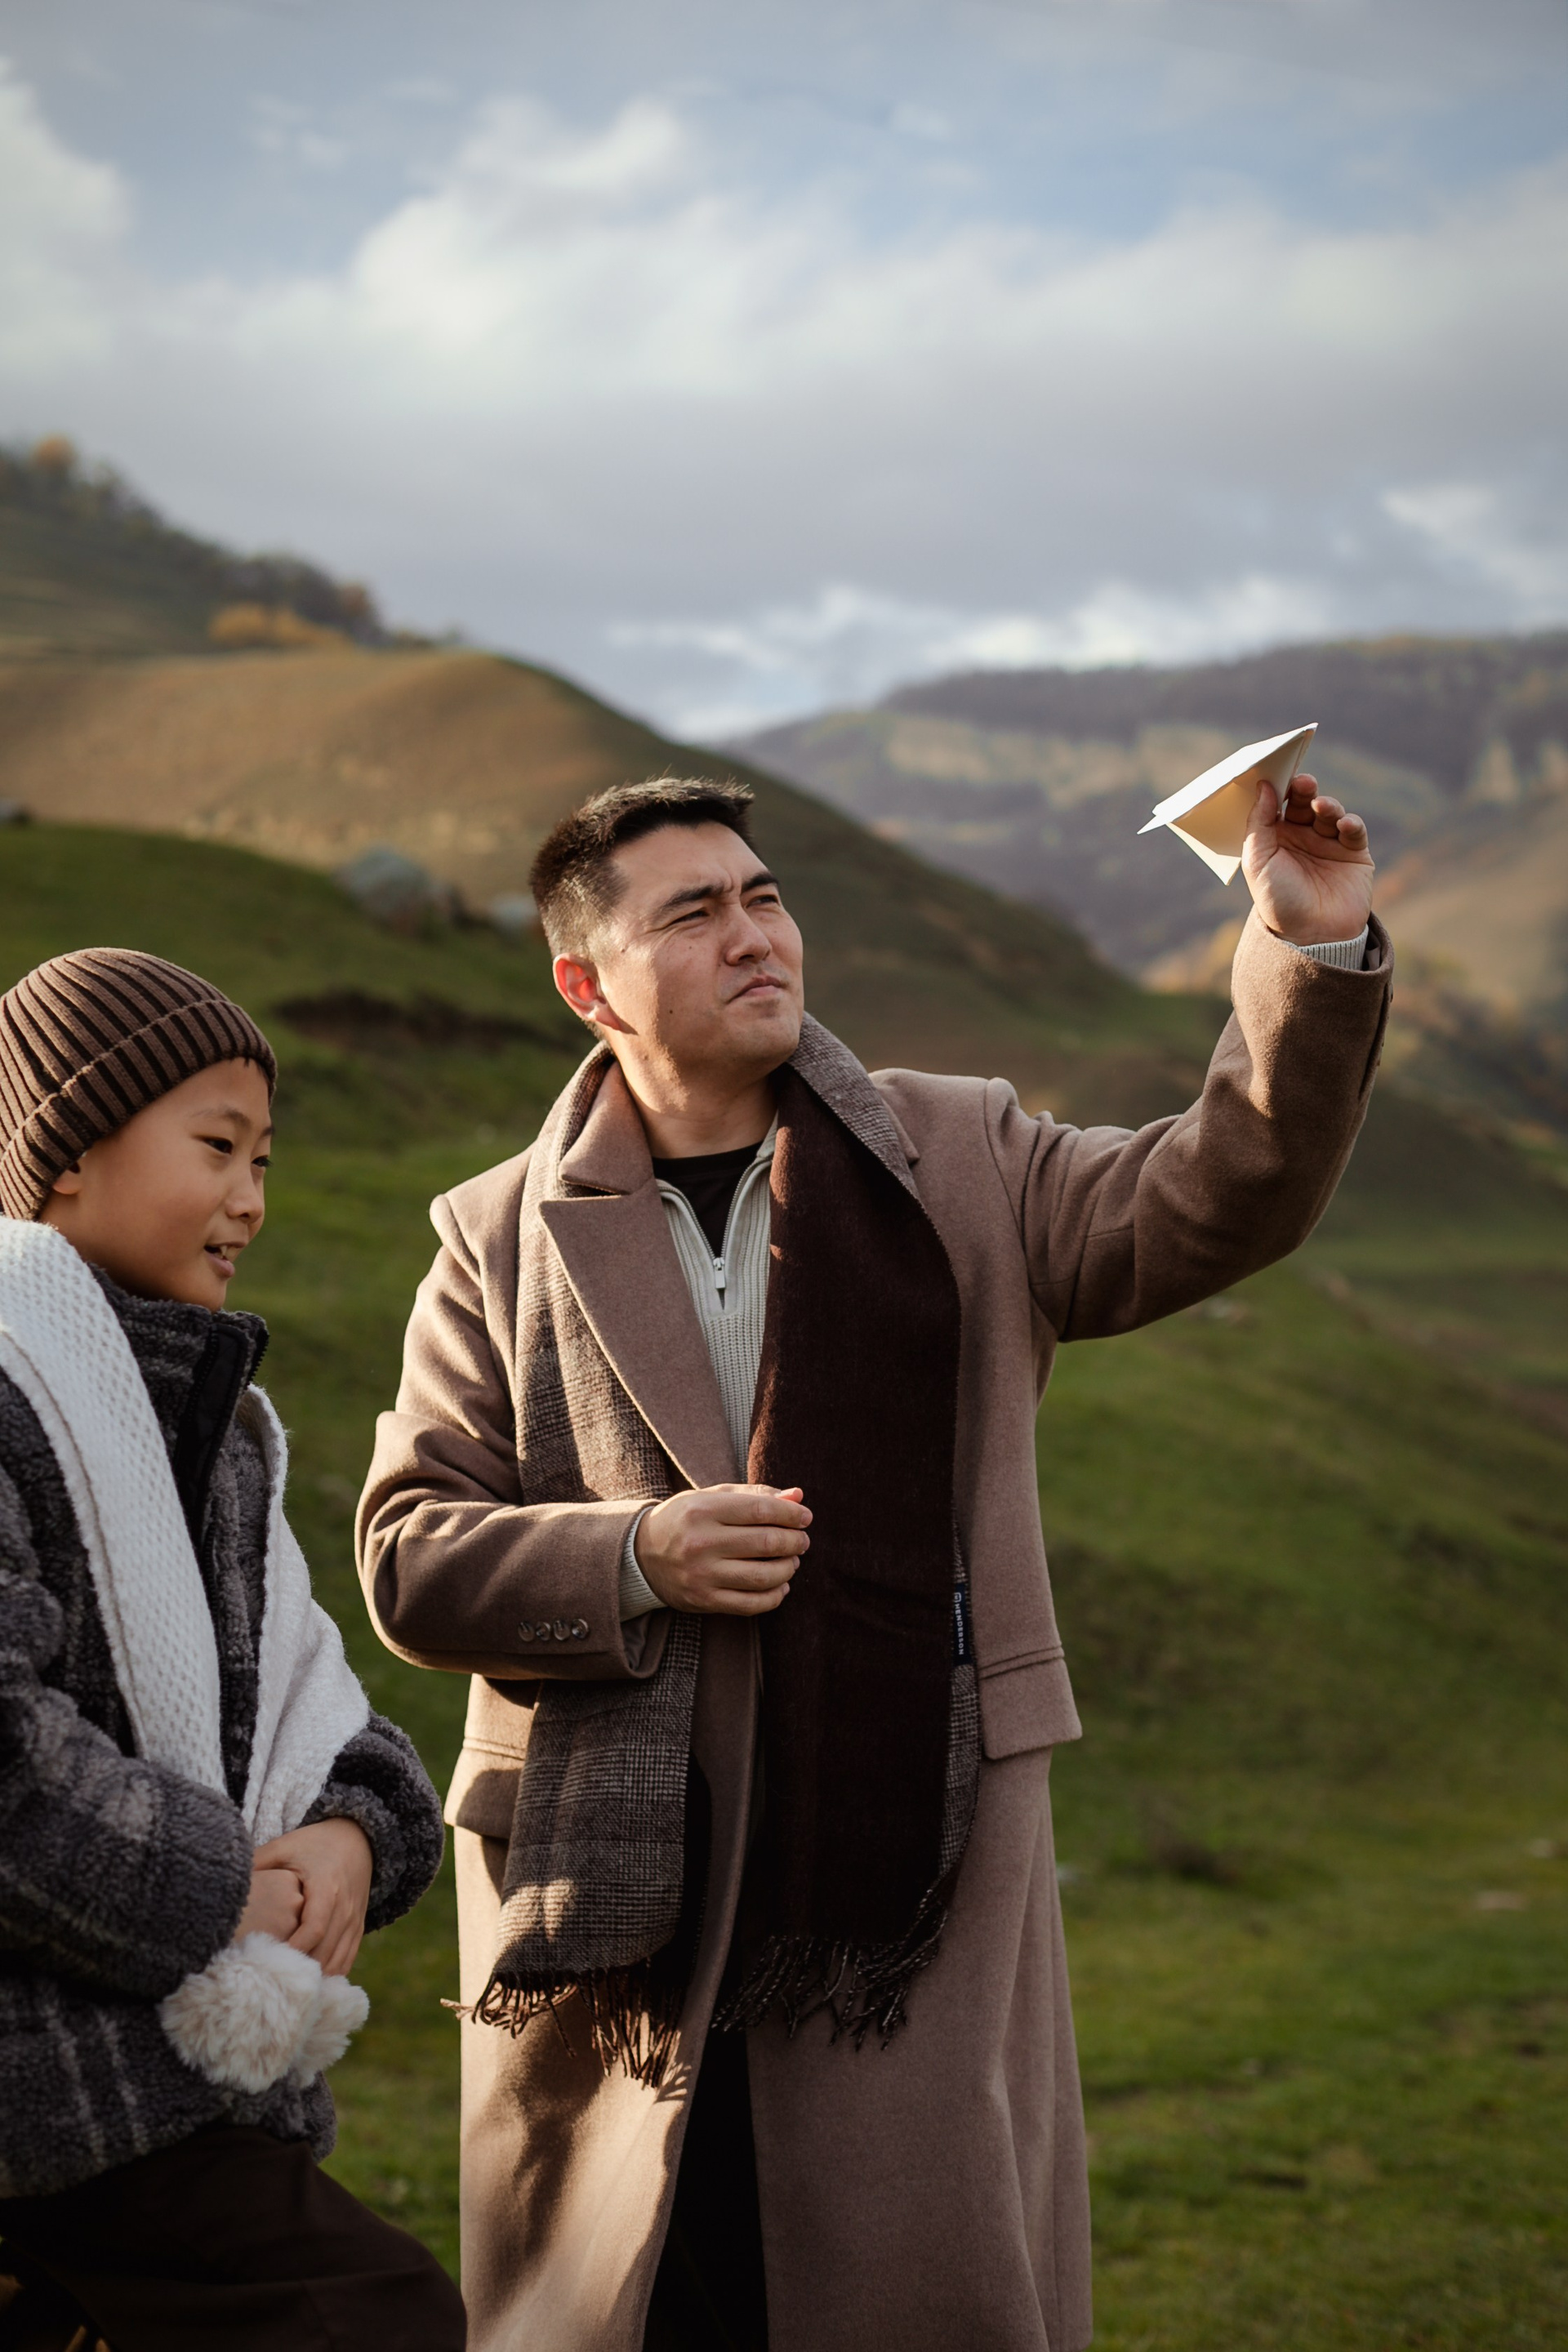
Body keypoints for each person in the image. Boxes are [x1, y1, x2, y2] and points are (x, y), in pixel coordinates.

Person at [359, 768, 1390, 2352]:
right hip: (617, 1898)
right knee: (653, 2299)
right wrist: (636, 1555)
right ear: (587, 987)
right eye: (693, 914)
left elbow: (1217, 1192)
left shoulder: (960, 1151)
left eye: (764, 897)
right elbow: (408, 1551)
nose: (754, 935)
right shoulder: (493, 1234)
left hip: (908, 1858)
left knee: (894, 2286)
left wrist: (1302, 950)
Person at [0, 949, 466, 2351]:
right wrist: (223, 1894)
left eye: (264, 1159)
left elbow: (308, 1696)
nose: (253, 1199)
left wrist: (351, 1838)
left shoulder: (220, 1431)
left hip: (153, 2071)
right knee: (373, 2320)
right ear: (67, 1156)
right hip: (49, 2075)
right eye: (217, 1148)